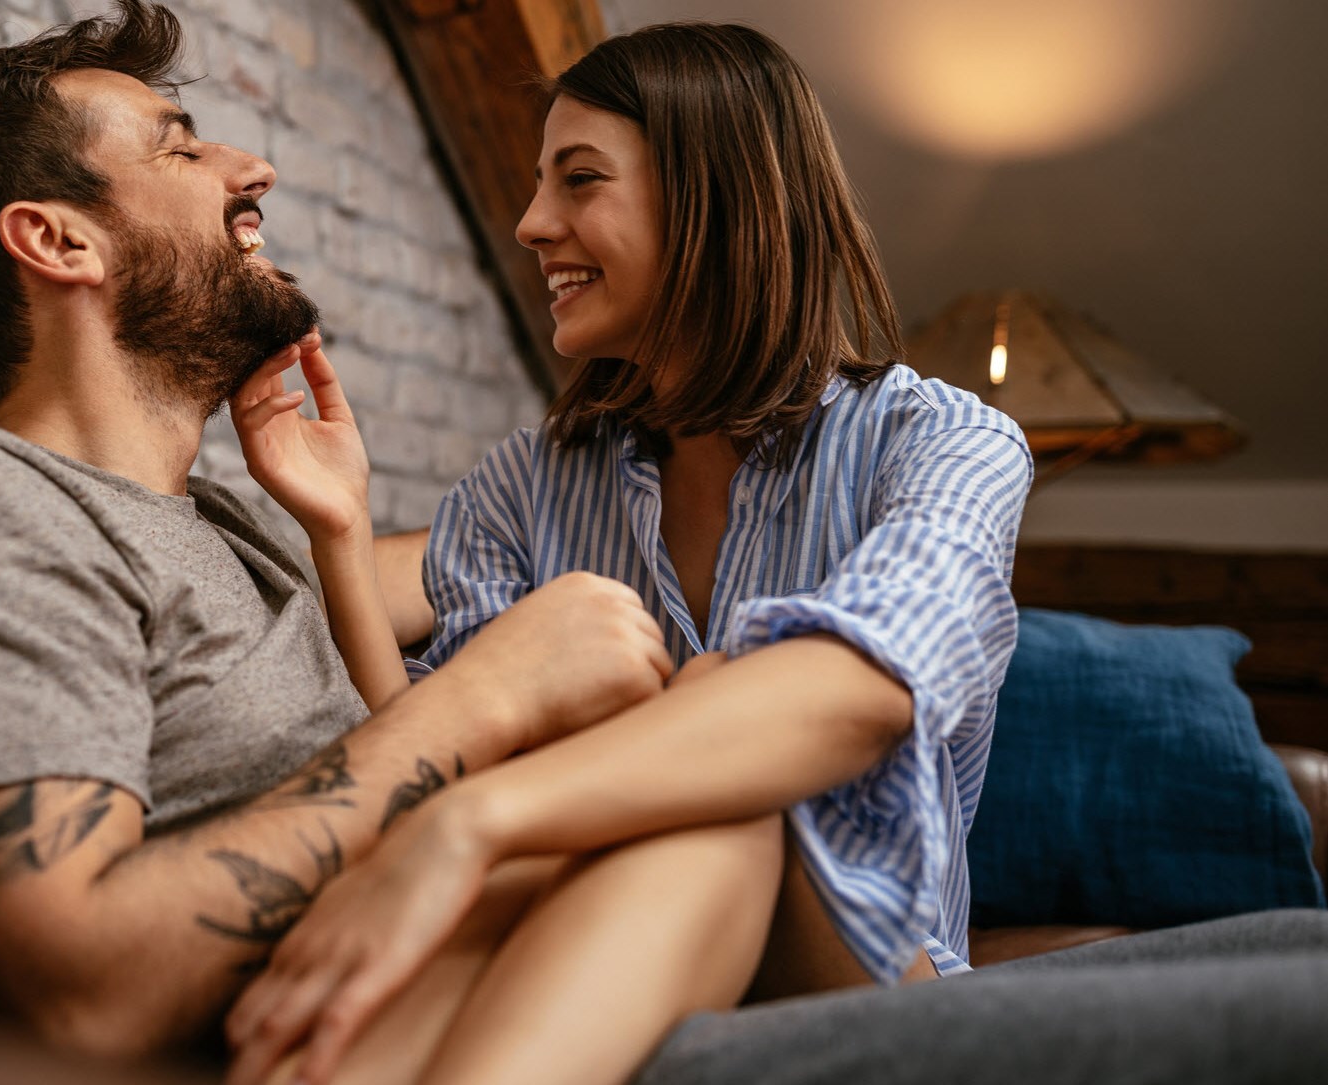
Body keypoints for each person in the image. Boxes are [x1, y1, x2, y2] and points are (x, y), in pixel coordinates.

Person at [0, 0, 678, 1063]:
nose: (252, 170)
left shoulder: (224, 526)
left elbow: (461, 632)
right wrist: (485, 699)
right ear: (59, 239)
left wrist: (342, 530)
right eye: (181, 146)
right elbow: (79, 991)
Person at [219, 20, 1034, 1085]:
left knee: (716, 720)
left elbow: (858, 691)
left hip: (862, 981)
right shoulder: (530, 480)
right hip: (596, 937)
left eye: (580, 180)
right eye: (535, 184)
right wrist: (339, 527)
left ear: (717, 195)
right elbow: (427, 741)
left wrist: (473, 822)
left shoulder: (949, 446)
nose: (530, 222)